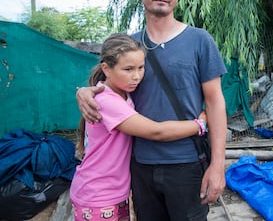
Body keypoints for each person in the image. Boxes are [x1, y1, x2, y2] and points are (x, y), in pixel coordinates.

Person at [77, 0, 227, 220]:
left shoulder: (200, 40)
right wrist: (84, 91)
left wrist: (217, 166)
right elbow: (106, 85)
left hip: (187, 163)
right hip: (139, 165)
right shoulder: (128, 46)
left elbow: (215, 103)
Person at [70, 33, 208, 221]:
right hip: (98, 194)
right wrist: (200, 124)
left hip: (112, 193)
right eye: (128, 69)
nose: (136, 76)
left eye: (141, 68)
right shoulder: (107, 101)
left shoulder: (122, 95)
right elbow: (156, 131)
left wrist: (83, 91)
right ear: (106, 69)